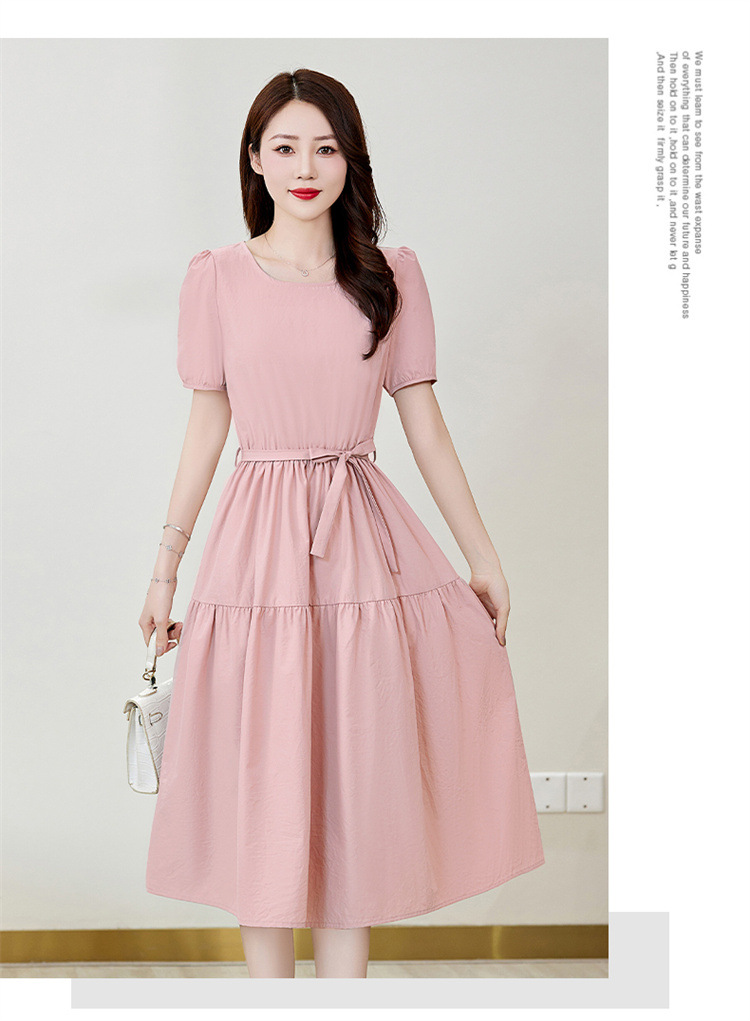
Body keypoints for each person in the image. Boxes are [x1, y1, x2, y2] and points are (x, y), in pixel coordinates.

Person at [139, 68, 544, 980]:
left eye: (325, 148)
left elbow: (425, 427)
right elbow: (207, 427)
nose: (305, 167)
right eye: (284, 147)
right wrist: (166, 568)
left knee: (355, 776)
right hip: (254, 548)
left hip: (362, 539)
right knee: (263, 778)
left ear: (350, 158)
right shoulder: (218, 278)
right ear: (254, 159)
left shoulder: (390, 278)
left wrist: (483, 558)